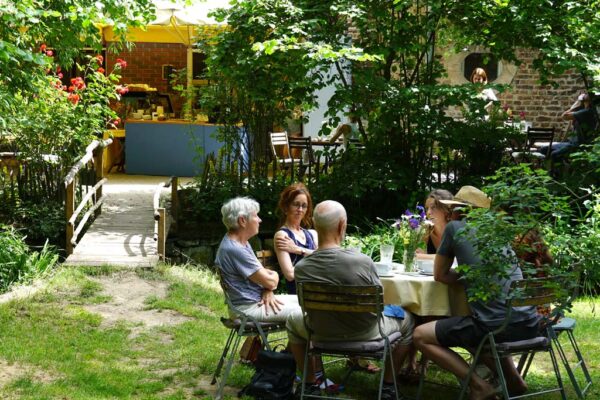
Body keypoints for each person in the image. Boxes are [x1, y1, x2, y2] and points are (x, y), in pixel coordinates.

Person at [413, 186, 541, 400]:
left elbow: (440, 275)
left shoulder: (455, 228)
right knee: (474, 320)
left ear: (458, 211)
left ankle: (479, 386)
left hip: (493, 327)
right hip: (528, 322)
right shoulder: (497, 232)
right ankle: (514, 380)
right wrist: (470, 276)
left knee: (420, 335)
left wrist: (463, 276)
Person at [287, 200, 415, 399]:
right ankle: (388, 386)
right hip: (366, 333)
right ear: (341, 225)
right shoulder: (362, 261)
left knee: (292, 321)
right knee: (408, 320)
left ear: (314, 224)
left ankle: (310, 383)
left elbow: (304, 309)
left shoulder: (302, 267)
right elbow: (378, 305)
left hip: (321, 332)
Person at [215, 196, 300, 322]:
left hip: (257, 301)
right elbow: (270, 281)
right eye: (256, 216)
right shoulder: (235, 249)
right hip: (248, 309)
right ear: (243, 221)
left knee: (306, 301)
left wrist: (267, 289)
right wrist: (271, 280)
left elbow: (264, 278)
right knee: (306, 312)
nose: (259, 220)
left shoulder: (241, 242)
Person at [273, 183, 318, 295]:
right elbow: (290, 275)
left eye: (304, 206)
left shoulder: (312, 234)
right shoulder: (282, 235)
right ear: (286, 206)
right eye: (296, 204)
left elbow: (325, 258)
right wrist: (316, 264)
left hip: (318, 290)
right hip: (299, 295)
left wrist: (298, 250)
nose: (300, 209)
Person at [539, 92, 598, 161]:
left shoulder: (587, 112)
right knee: (544, 149)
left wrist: (577, 103)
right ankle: (562, 165)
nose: (583, 93)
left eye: (586, 93)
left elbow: (564, 116)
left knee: (554, 154)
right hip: (571, 142)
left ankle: (559, 170)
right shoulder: (583, 111)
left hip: (578, 145)